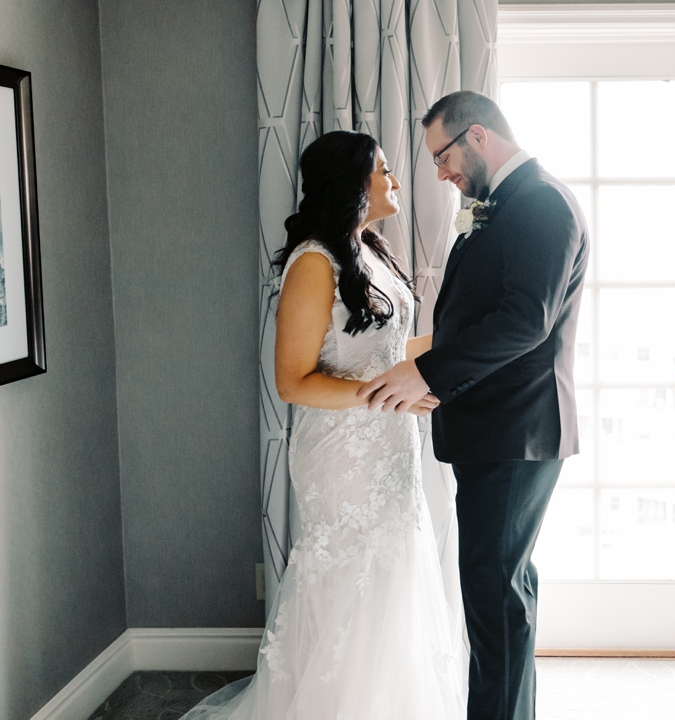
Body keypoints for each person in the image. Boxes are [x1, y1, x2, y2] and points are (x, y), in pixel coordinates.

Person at [182, 130, 466, 720]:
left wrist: (459, 348)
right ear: (355, 181)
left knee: (394, 573)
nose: (394, 181)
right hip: (342, 455)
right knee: (350, 578)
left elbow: (384, 348)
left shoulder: (370, 251)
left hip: (389, 446)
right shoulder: (315, 262)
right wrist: (383, 397)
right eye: (383, 171)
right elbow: (293, 380)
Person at [359, 91, 590, 720]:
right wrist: (430, 375)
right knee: (503, 590)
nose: (440, 174)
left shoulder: (540, 202)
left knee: (494, 595)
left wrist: (426, 372)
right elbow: (479, 315)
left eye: (443, 155)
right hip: (497, 427)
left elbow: (525, 322)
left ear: (479, 136)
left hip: (516, 433)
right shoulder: (501, 205)